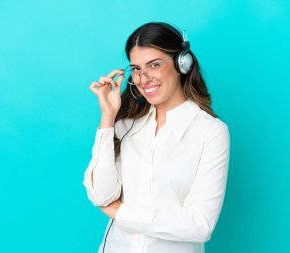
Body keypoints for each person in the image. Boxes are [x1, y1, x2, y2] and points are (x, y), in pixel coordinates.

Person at [83, 21, 230, 253]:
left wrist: (121, 212)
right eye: (137, 69)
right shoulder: (126, 124)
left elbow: (200, 224)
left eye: (154, 65)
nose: (143, 78)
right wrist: (108, 118)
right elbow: (101, 194)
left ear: (182, 64)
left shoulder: (210, 132)